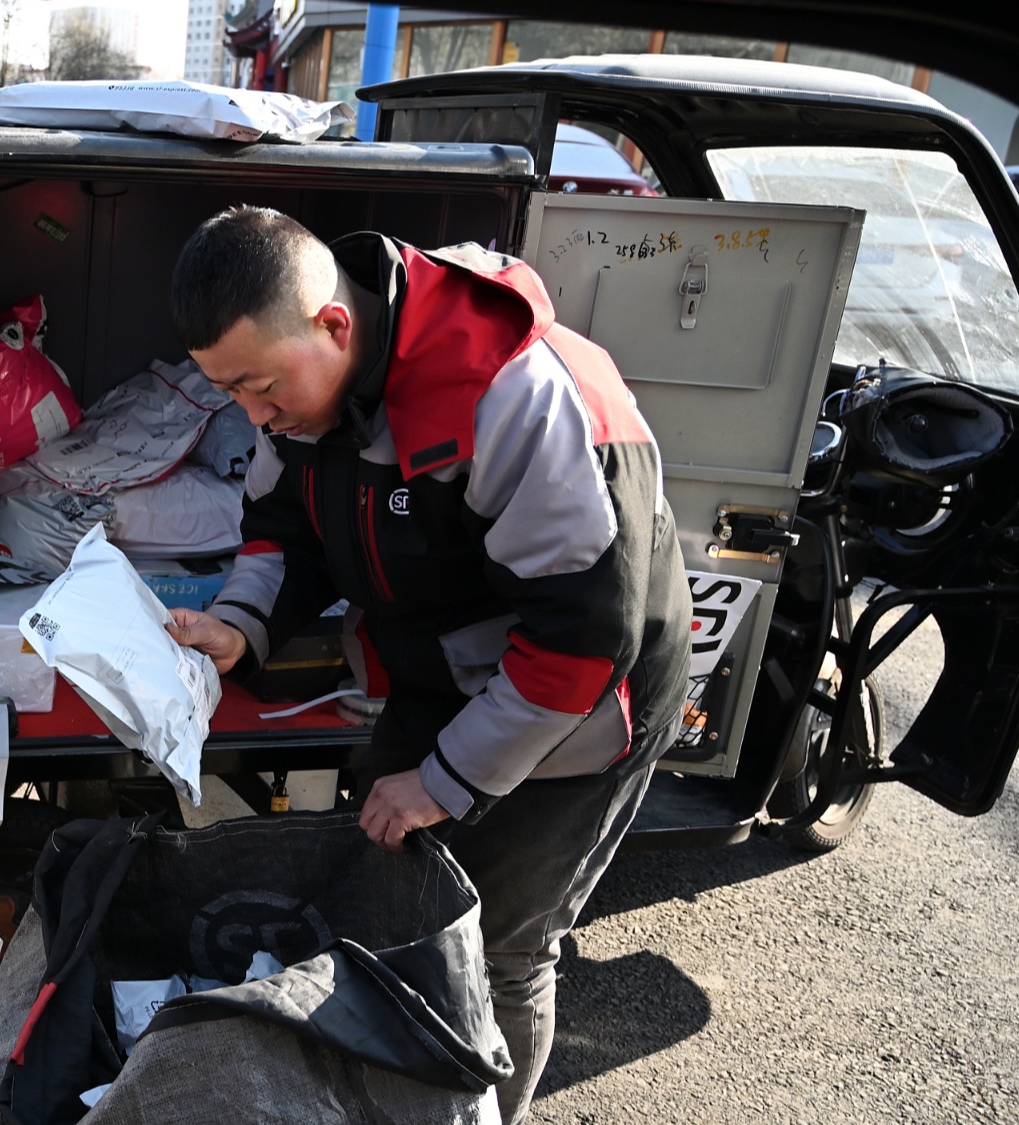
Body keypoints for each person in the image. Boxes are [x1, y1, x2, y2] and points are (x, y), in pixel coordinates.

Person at [165, 206, 690, 1124]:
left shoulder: (511, 394)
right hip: (452, 667)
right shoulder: (297, 387)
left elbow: (577, 644)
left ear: (333, 323)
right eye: (230, 393)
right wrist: (239, 626)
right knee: (387, 888)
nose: (253, 415)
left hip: (586, 696)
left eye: (255, 386)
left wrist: (444, 779)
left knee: (497, 941)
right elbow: (281, 528)